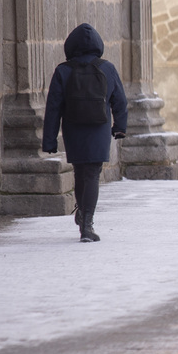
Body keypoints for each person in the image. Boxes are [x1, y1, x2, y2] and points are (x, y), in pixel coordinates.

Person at [42, 23, 128, 242]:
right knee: (91, 174)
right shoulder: (107, 68)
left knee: (81, 172)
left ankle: (84, 216)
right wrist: (119, 127)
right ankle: (86, 223)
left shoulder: (63, 70)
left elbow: (53, 107)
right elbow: (120, 100)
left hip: (74, 128)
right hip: (98, 129)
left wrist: (49, 140)